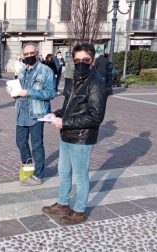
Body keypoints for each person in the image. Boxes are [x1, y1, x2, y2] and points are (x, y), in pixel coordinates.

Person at [42, 43, 108, 225]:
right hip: (66, 134)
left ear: (92, 61)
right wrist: (56, 114)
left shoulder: (97, 84)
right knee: (64, 172)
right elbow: (68, 108)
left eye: (85, 60)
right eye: (77, 60)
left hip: (81, 138)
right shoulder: (74, 80)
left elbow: (95, 117)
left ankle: (79, 210)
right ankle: (63, 203)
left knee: (80, 175)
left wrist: (64, 122)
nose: (81, 64)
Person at [8, 42, 56, 186]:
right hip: (21, 112)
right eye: (26, 54)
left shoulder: (45, 71)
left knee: (36, 145)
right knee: (20, 142)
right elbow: (19, 91)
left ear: (37, 53)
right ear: (23, 55)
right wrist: (13, 92)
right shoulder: (22, 71)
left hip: (37, 113)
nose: (28, 56)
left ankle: (38, 174)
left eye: (31, 53)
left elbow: (51, 93)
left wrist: (29, 92)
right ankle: (28, 169)